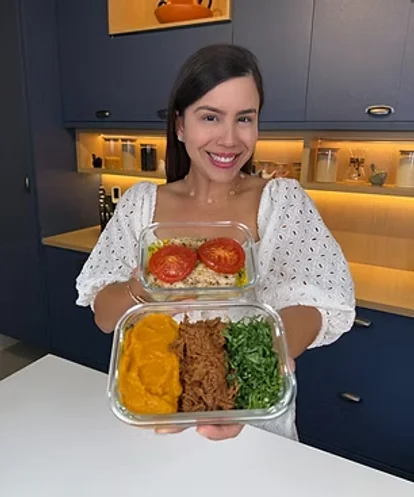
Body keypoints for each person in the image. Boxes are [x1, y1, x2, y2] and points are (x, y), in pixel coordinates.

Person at [76, 44, 355, 442]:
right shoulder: (141, 204)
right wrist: (142, 290)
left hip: (252, 413)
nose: (229, 139)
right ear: (180, 125)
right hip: (156, 410)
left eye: (245, 119)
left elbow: (315, 306)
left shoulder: (282, 200)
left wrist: (259, 363)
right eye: (210, 117)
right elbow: (105, 316)